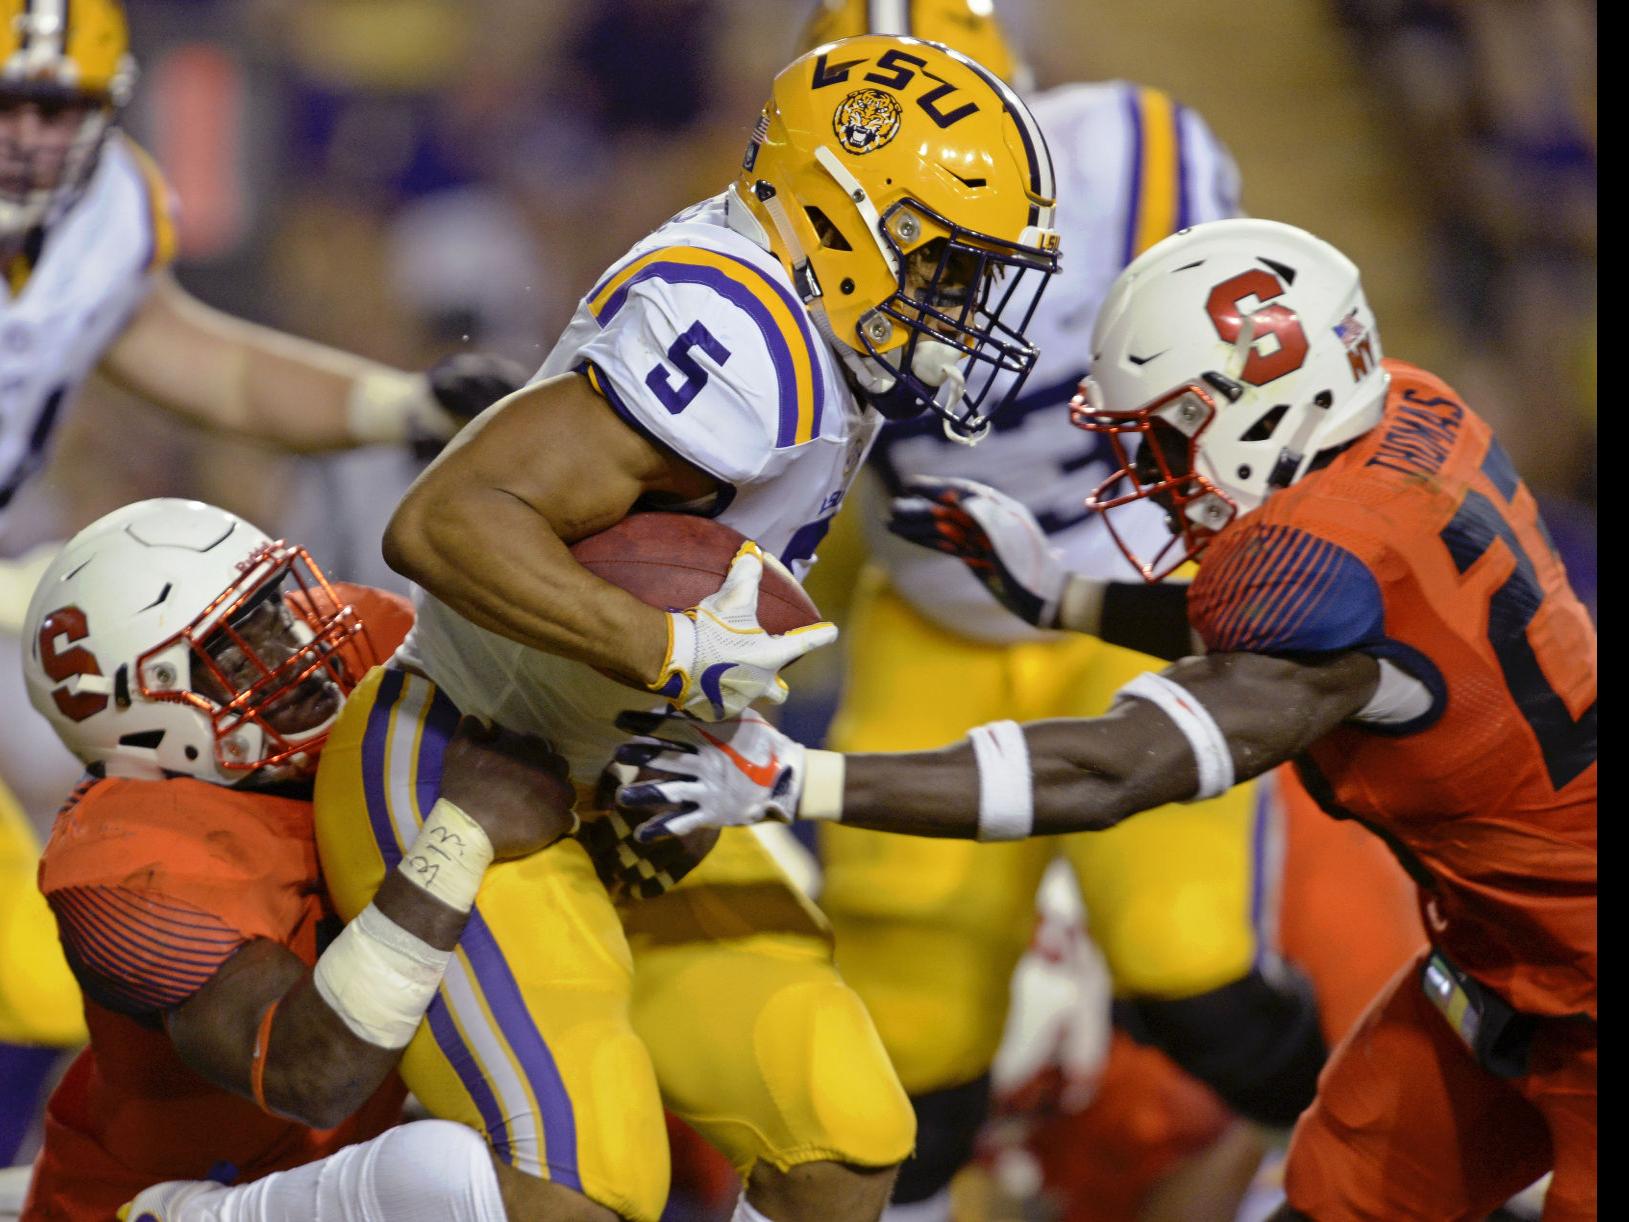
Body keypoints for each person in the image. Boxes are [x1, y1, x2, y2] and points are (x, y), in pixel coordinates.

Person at [616, 217, 1598, 1222]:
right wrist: (1066, 603)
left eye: (1170, 430)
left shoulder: (1323, 575)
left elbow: (1113, 770)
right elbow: (1356, 637)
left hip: (1581, 977)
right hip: (1505, 955)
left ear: (1261, 414)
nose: (1153, 464)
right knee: (1336, 1192)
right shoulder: (1407, 415)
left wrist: (794, 782)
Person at [314, 31, 1061, 1222]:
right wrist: (666, 653)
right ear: (840, 226)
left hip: (649, 777)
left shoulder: (812, 318)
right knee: (583, 1185)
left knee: (847, 1135)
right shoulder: (742, 338)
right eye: (947, 269)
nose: (963, 308)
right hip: (473, 746)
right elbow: (446, 521)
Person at [791, 4, 1328, 1215]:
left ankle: (1347, 1161)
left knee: (1195, 974)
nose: (922, 187)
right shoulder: (780, 237)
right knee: (910, 1043)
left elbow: (1262, 392)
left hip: (1138, 589)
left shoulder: (1141, 159)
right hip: (940, 611)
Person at [0, 0, 524, 1152]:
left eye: (60, 107)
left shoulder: (108, 204)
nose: (30, 140)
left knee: (27, 988)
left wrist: (393, 403)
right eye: (10, 106)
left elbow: (184, 352)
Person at [15, 499, 578, 1221]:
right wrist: (459, 834)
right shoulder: (126, 865)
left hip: (332, 1170)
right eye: (229, 646)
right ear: (141, 717)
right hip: (149, 1195)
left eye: (270, 607)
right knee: (444, 1173)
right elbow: (313, 1074)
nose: (291, 647)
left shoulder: (363, 644)